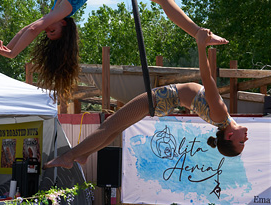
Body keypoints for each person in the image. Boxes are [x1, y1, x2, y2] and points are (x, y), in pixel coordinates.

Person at [0, 0, 228, 101]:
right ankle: (199, 34)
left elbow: (29, 27)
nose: (47, 28)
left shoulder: (56, 12)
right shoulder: (64, 10)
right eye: (52, 32)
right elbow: (34, 28)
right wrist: (11, 54)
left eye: (48, 32)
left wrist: (10, 48)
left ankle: (199, 33)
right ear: (64, 26)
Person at [42, 28, 247, 170]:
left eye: (241, 142)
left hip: (159, 100)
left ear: (229, 137)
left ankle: (68, 157)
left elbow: (206, 77)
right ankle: (85, 154)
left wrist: (201, 46)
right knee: (115, 128)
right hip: (162, 103)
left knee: (109, 126)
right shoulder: (223, 119)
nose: (245, 138)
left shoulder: (221, 115)